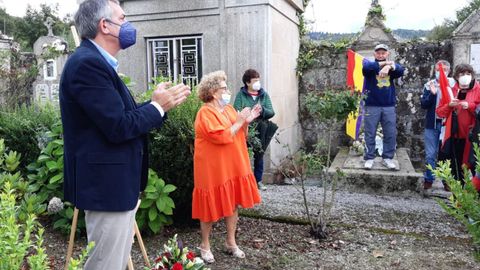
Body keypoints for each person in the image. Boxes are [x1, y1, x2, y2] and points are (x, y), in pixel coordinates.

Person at [59, 1, 190, 269]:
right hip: (106, 188)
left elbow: (116, 117)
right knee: (105, 265)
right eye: (123, 18)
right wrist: (157, 107)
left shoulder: (96, 62)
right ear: (104, 25)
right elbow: (118, 127)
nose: (128, 24)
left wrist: (156, 105)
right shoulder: (88, 65)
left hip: (114, 187)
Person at [192, 71, 262, 263]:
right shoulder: (205, 112)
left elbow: (239, 134)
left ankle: (230, 242)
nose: (227, 91)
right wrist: (240, 121)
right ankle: (205, 245)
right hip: (212, 168)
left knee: (233, 203)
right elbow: (220, 136)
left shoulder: (230, 110)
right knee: (209, 206)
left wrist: (245, 122)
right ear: (213, 92)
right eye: (224, 88)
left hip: (232, 165)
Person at [362, 44, 405, 170]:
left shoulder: (392, 68)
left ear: (387, 54)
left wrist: (389, 66)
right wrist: (384, 65)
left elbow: (401, 70)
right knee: (370, 133)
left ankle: (387, 158)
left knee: (390, 133)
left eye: (383, 53)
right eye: (378, 53)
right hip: (372, 105)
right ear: (374, 54)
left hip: (388, 106)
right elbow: (366, 68)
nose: (381, 55)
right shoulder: (370, 66)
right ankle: (369, 158)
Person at [436, 63, 480, 183]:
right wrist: (449, 106)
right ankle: (458, 200)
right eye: (462, 74)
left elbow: (478, 110)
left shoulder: (478, 89)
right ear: (456, 76)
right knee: (457, 170)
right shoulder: (451, 90)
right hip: (455, 136)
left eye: (468, 73)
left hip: (473, 138)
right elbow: (439, 112)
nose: (465, 76)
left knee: (475, 169)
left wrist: (470, 106)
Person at [233, 69, 276, 190]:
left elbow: (271, 112)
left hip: (261, 129)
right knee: (244, 155)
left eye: (258, 80)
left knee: (259, 155)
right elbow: (236, 111)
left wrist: (262, 110)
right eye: (255, 81)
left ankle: (258, 181)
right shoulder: (241, 95)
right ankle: (244, 182)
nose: (258, 83)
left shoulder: (264, 95)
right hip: (245, 129)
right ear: (247, 83)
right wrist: (249, 114)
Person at [420, 60, 455, 192]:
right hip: (432, 123)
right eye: (439, 69)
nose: (442, 72)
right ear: (435, 70)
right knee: (430, 153)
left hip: (448, 123)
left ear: (449, 71)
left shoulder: (453, 84)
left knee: (446, 153)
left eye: (445, 69)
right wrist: (432, 94)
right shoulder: (429, 85)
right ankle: (429, 179)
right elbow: (423, 104)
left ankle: (447, 181)